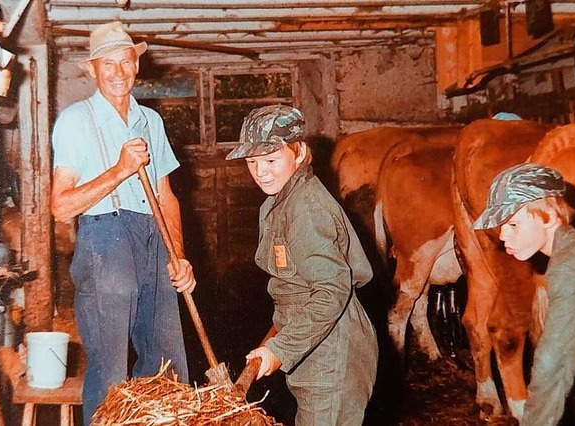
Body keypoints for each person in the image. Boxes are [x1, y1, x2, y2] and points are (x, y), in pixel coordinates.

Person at [50, 21, 196, 425]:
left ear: (137, 66)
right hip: (104, 236)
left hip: (155, 236)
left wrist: (178, 257)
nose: (118, 72)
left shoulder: (151, 121)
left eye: (126, 62)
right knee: (110, 366)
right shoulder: (75, 122)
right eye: (107, 64)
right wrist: (119, 170)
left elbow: (166, 197)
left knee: (169, 365)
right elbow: (60, 207)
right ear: (92, 70)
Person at [226, 105, 378, 425]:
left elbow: (331, 290)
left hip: (333, 356)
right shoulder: (278, 202)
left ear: (299, 153)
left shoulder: (305, 209)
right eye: (252, 161)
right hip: (315, 352)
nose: (260, 171)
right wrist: (274, 343)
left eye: (271, 159)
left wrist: (281, 349)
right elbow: (293, 289)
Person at [473, 162, 575, 425]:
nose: (503, 237)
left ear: (548, 215)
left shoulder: (574, 267)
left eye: (513, 224)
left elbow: (553, 366)